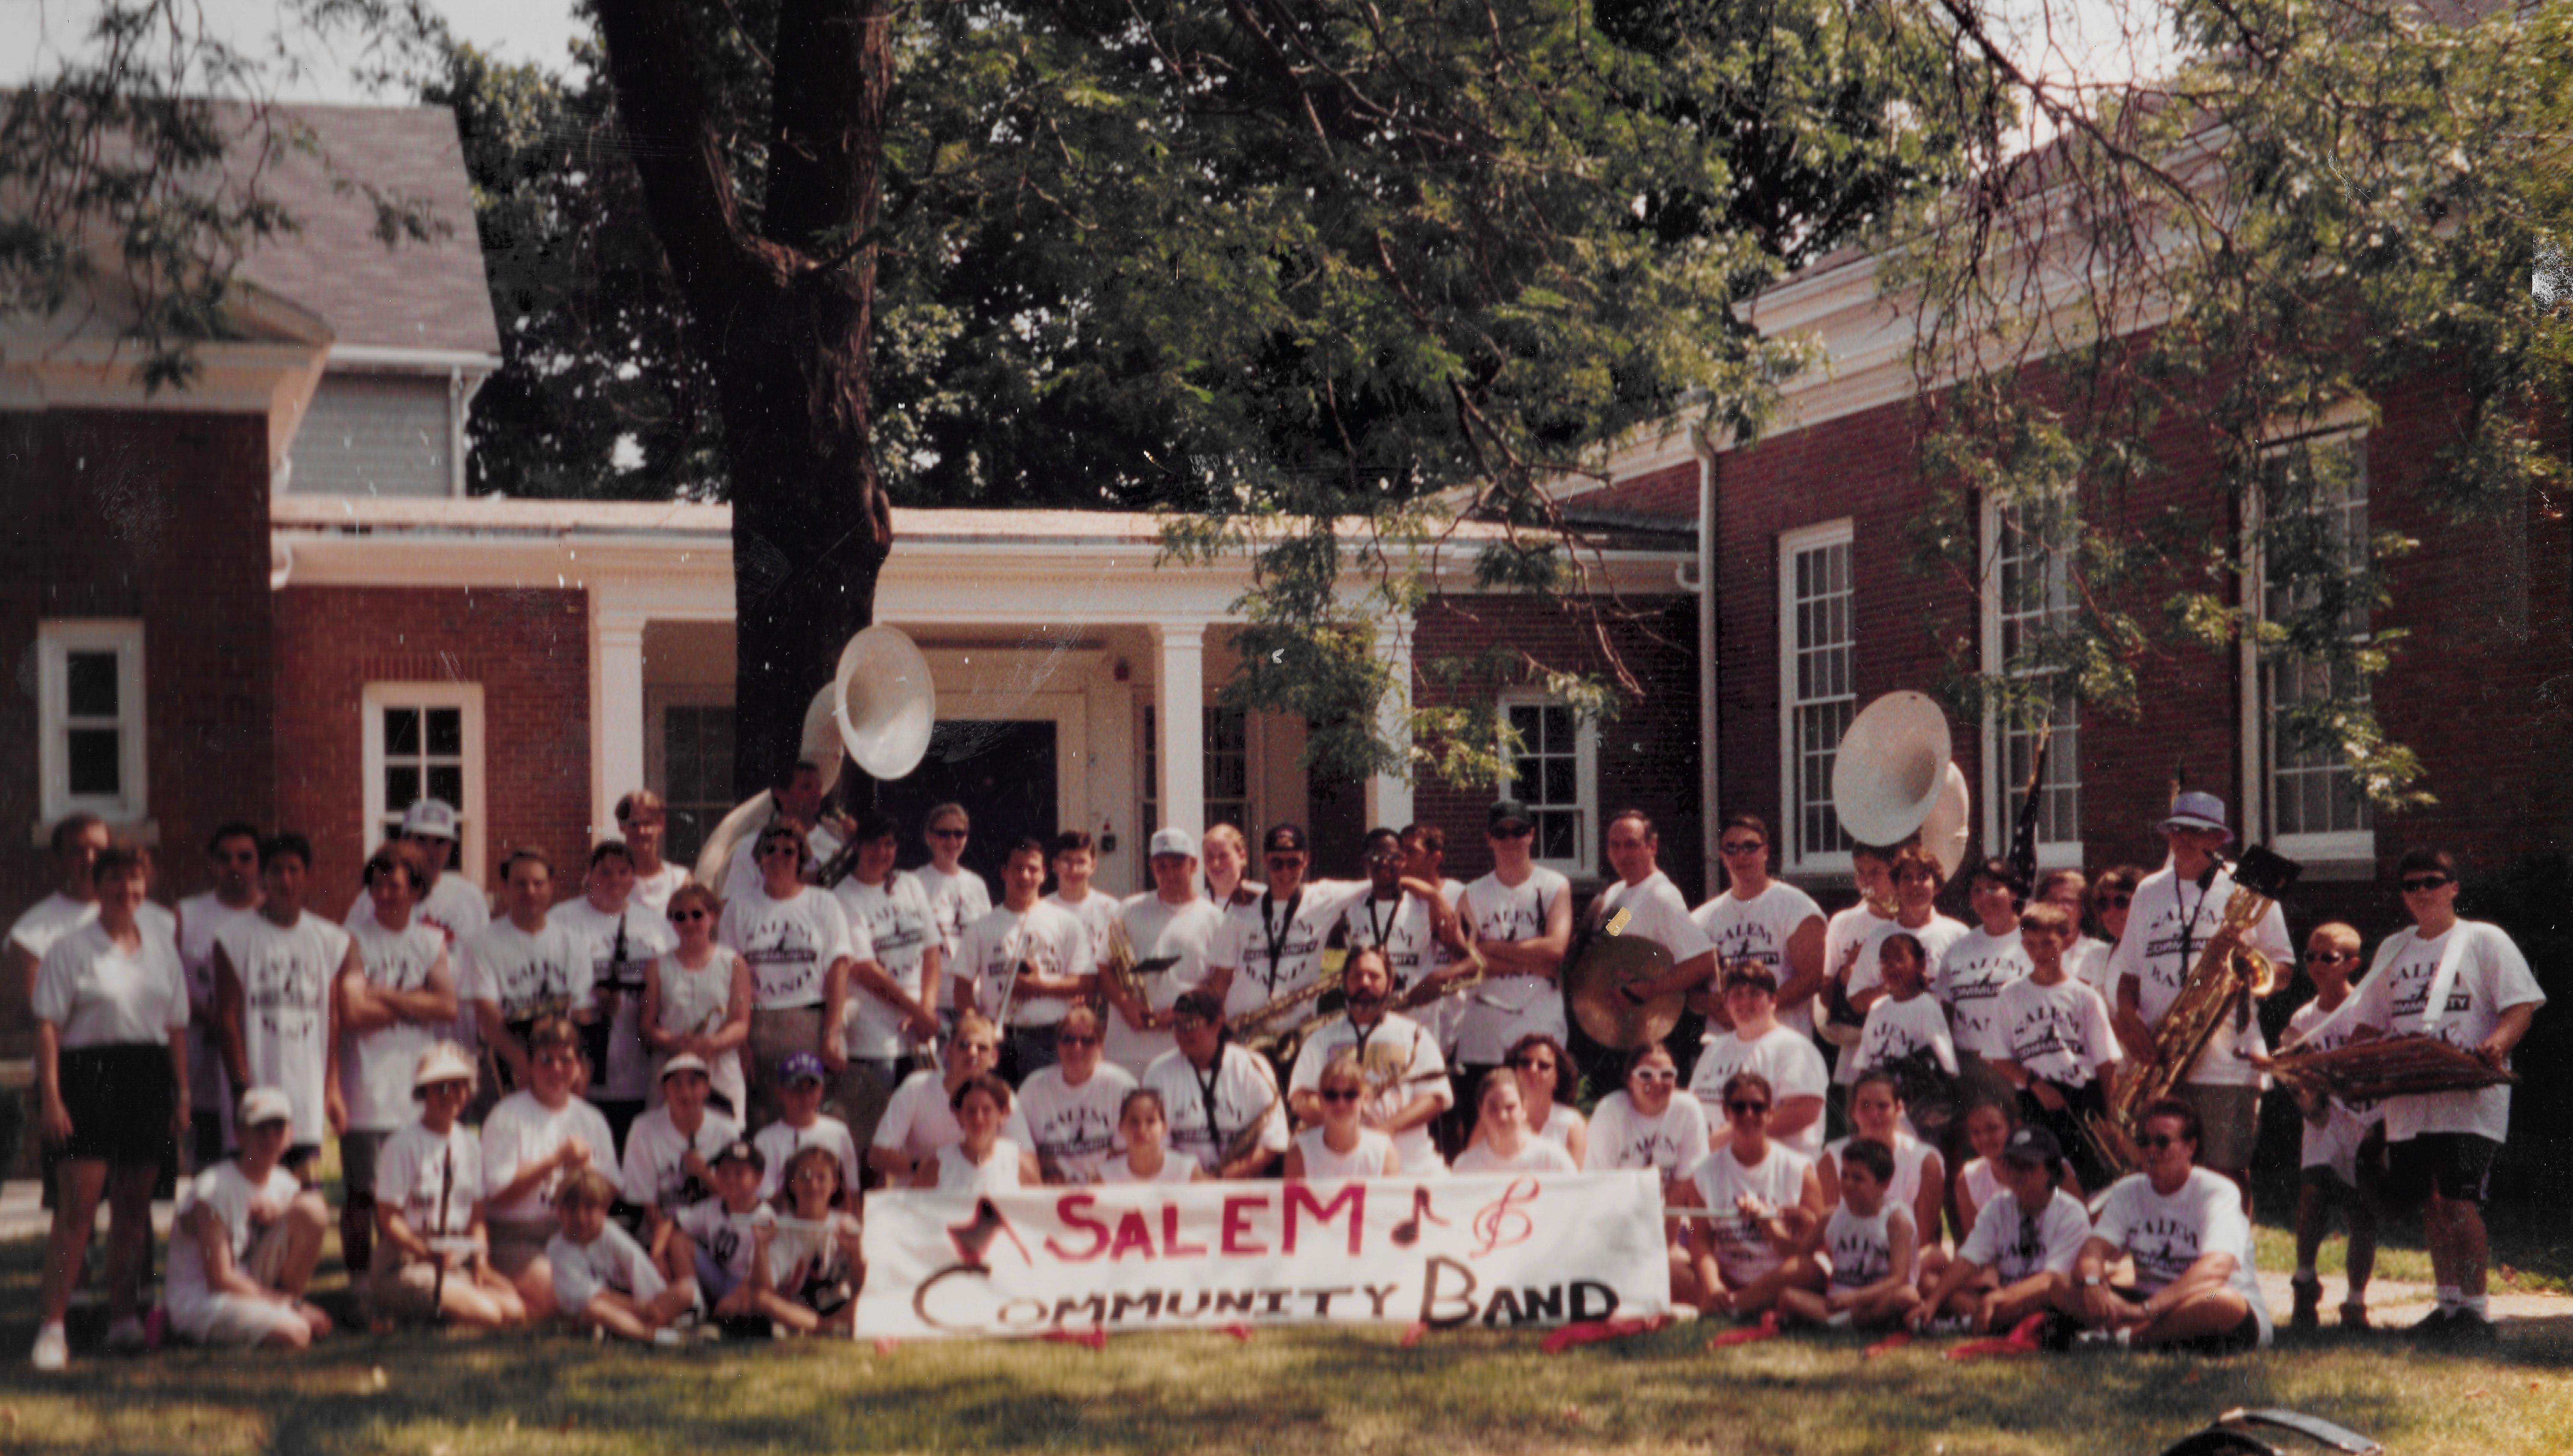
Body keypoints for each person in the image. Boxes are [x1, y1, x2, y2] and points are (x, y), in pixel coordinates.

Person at [2344, 848, 2543, 1343]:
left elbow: (2520, 1006)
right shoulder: (2392, 948)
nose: (2420, 892)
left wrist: (2494, 1046)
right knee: (2430, 1201)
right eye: (2409, 885)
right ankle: (2447, 1306)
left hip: (2468, 1096)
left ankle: (2475, 1312)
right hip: (2410, 1099)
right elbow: (2367, 1022)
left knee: (2458, 1199)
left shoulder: (2482, 939)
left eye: (2431, 882)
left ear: (2453, 887)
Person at [29, 841, 188, 1369]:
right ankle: (53, 1328)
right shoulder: (69, 950)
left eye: (135, 879)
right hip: (87, 1079)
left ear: (147, 885)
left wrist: (183, 1093)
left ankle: (123, 1320)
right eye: (115, 879)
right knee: (76, 1211)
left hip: (148, 1078)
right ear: (97, 886)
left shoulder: (162, 950)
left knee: (132, 1213)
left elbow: (175, 1027)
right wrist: (52, 1097)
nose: (126, 889)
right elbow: (48, 1027)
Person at [2106, 792, 2296, 1203]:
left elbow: (2282, 968)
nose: (2183, 838)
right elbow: (2128, 976)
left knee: (2227, 1174)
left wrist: (2250, 971)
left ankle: (2231, 1247)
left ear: (2217, 838)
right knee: (2162, 1172)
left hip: (2227, 1060)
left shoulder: (2250, 886)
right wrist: (2128, 1018)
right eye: (2176, 829)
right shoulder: (2148, 890)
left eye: (2196, 831)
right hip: (2161, 1054)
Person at [335, 842, 458, 1287]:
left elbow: (447, 1006)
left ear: (417, 890)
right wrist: (415, 1002)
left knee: (410, 1193)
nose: (386, 894)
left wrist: (383, 993)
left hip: (414, 1089)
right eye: (378, 885)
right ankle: (359, 1285)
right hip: (366, 1088)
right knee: (363, 1194)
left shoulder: (429, 941)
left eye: (397, 886)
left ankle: (401, 1277)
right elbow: (353, 1012)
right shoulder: (353, 938)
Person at [2065, 1096, 2271, 1353]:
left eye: (2162, 1142)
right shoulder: (2128, 1190)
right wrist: (2093, 1284)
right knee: (2061, 1285)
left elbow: (2216, 1269)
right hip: (2148, 1298)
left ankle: (2125, 1339)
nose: (2151, 1150)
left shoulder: (2218, 1192)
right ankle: (2146, 1333)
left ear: (2190, 1148)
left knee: (2223, 1300)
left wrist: (2144, 1310)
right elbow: (2093, 1249)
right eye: (2144, 1141)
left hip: (2202, 1297)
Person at [213, 833, 354, 1176]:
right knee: (255, 1194)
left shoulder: (329, 939)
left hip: (305, 1094)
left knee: (302, 1193)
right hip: (257, 1090)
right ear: (263, 876)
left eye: (294, 870)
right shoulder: (233, 938)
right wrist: (241, 1090)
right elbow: (226, 1019)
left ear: (307, 876)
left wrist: (332, 1088)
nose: (285, 880)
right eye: (276, 870)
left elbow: (332, 1019)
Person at [2265, 920, 2382, 1331]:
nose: (2315, 964)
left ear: (2351, 963)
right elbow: (2295, 1072)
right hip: (2322, 1121)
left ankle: (2355, 1301)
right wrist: (2305, 1096)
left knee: (2359, 1209)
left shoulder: (2367, 1007)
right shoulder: (2304, 1016)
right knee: (2312, 1193)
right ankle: (2304, 1282)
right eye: (2310, 956)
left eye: (2327, 957)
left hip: (2363, 1118)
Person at [160, 1087, 335, 1351]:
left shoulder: (285, 1184)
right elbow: (219, 1279)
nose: (269, 1137)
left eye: (277, 1128)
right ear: (240, 1135)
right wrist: (295, 1305)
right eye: (260, 1129)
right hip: (204, 1297)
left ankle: (281, 1312)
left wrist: (281, 1213)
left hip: (248, 1286)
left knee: (313, 1209)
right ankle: (179, 1329)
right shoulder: (213, 1189)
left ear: (290, 1135)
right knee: (297, 1334)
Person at [370, 1041, 527, 1330]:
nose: (451, 1095)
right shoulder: (401, 1144)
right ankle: (398, 1313)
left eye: (459, 1086)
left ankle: (436, 1312)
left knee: (514, 1310)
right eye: (440, 1087)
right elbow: (388, 1218)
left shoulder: (470, 1144)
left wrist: (481, 1262)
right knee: (489, 1315)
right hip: (407, 1261)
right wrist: (423, 1251)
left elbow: (476, 1215)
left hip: (454, 1260)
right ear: (424, 1092)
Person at [718, 821, 860, 1128]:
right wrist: (739, 1040)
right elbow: (731, 976)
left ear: (801, 858)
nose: (779, 857)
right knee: (762, 1121)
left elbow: (838, 969)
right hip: (758, 1026)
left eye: (788, 851)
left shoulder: (824, 904)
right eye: (770, 850)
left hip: (811, 1024)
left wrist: (833, 1033)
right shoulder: (739, 908)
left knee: (813, 1117)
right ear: (759, 858)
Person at [479, 1015, 619, 1320]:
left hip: (573, 1233)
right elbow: (497, 1195)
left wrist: (588, 1172)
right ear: (530, 1066)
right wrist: (554, 1161)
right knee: (561, 1294)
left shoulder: (591, 1119)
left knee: (604, 1281)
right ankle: (639, 1318)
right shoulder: (505, 1116)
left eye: (566, 1060)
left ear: (579, 1067)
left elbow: (611, 1191)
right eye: (545, 1060)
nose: (556, 1069)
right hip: (516, 1237)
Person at [553, 840, 678, 1151]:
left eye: (623, 872)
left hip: (638, 1062)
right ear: (589, 875)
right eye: (605, 872)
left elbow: (675, 982)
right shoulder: (562, 920)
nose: (614, 880)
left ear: (634, 878)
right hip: (582, 1061)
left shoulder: (656, 926)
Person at [829, 811, 943, 1151]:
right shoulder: (842, 897)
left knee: (923, 1136)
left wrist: (926, 1009)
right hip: (873, 1040)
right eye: (872, 844)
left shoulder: (910, 885)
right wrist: (917, 1012)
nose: (881, 853)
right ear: (856, 846)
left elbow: (932, 951)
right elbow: (864, 970)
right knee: (875, 1138)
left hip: (919, 1037)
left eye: (889, 844)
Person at [1908, 1124, 2090, 1336]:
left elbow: (2051, 1279)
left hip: (2042, 1298)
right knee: (1929, 1284)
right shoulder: (1999, 1206)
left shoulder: (2070, 1213)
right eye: (2011, 1165)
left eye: (2028, 1166)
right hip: (2001, 1298)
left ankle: (1977, 1320)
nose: (2017, 1174)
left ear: (2051, 1172)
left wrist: (2001, 1297)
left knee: (2054, 1290)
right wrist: (1932, 1302)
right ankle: (1984, 1318)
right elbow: (1968, 1260)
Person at [1672, 1071, 1826, 1317]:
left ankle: (1732, 1306)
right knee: (1671, 1265)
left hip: (1782, 1274)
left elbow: (1816, 1247)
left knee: (1806, 1270)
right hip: (1729, 1275)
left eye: (1757, 1107)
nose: (1748, 1115)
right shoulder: (1704, 1173)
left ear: (1771, 1113)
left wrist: (1771, 1225)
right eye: (1739, 1107)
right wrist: (1713, 1285)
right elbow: (1698, 1239)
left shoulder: (1799, 1170)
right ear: (1726, 1113)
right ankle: (1724, 1301)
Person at [1991, 903, 2121, 1191]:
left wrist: (2111, 1119)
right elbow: (1999, 1058)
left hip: (2081, 1097)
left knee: (2093, 1182)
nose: (2039, 952)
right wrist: (2036, 1085)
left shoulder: (2085, 997)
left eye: (2048, 943)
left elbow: (2105, 1064)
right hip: (2036, 1098)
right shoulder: (2010, 996)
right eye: (2031, 944)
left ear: (2067, 941)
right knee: (2046, 1182)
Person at [1287, 947, 1452, 1173]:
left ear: (1390, 984)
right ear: (1344, 983)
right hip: (1342, 1168)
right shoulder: (1320, 1039)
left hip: (1411, 1168)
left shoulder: (1416, 1035)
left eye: (1374, 976)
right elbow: (1300, 1098)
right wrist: (1348, 1126)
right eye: (1357, 976)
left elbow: (1435, 1097)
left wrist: (1388, 1128)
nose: (1365, 982)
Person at [1454, 800, 1574, 1097]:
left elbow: (1556, 948)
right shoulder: (1472, 894)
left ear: (1531, 835)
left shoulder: (1554, 885)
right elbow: (1468, 960)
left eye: (1518, 831)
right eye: (1501, 833)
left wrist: (1489, 947)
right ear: (1489, 839)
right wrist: (1534, 960)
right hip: (1484, 1033)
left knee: (1539, 1113)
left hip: (1539, 1026)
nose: (1510, 840)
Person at [1203, 823, 1372, 1033]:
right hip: (1244, 1029)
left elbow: (1381, 882)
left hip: (1295, 1032)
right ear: (1266, 861)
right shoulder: (1241, 910)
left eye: (1293, 863)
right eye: (1277, 864)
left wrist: (1411, 883)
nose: (1285, 871)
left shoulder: (1323, 898)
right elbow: (1221, 979)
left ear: (1306, 860)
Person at [1832, 846, 1968, 1089]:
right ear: (1895, 886)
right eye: (1906, 877)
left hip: (1944, 1058)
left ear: (1937, 886)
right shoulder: (1878, 938)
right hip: (1891, 1063)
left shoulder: (1958, 935)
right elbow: (1856, 1001)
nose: (1915, 885)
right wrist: (1895, 986)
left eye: (1923, 877)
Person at [460, 847, 592, 1093]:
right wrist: (522, 1062)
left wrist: (577, 1065)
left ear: (551, 886)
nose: (530, 892)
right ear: (505, 888)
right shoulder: (481, 943)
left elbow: (581, 1013)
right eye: (520, 884)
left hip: (561, 1058)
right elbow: (487, 1015)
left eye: (538, 884)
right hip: (506, 1059)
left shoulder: (573, 944)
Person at [957, 837, 1090, 1080]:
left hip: (1050, 1037)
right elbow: (962, 987)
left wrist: (1038, 986)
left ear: (1044, 874)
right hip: (998, 1035)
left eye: (1033, 869)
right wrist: (978, 1030)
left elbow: (1086, 983)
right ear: (1004, 872)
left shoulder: (1066, 923)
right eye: (1018, 868)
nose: (1025, 876)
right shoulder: (981, 927)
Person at [1102, 827, 1226, 1078]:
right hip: (1127, 1052)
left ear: (1193, 865)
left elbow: (1222, 980)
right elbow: (1103, 966)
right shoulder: (1128, 910)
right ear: (1152, 867)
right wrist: (1125, 1004)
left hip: (1184, 1050)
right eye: (1162, 867)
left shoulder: (1215, 919)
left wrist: (1186, 1009)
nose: (1170, 874)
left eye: (1177, 865)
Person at [1691, 814, 1828, 1039]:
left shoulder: (1796, 906)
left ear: (1766, 852)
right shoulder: (1702, 918)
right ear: (1722, 856)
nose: (1741, 856)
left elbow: (1813, 977)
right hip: (1724, 1045)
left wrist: (1752, 1008)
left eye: (1750, 847)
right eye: (1731, 849)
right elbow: (1686, 988)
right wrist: (1708, 1003)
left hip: (1780, 1044)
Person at [175, 822, 264, 1168]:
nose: (234, 866)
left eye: (245, 857)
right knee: (209, 1172)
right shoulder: (187, 915)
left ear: (259, 862)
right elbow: (168, 986)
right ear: (212, 863)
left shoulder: (272, 915)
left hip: (256, 1063)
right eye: (225, 858)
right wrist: (212, 1018)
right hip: (202, 1067)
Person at [1578, 811, 1717, 1016]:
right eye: (1615, 846)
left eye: (1631, 845)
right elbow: (1612, 941)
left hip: (1652, 1022)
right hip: (1614, 1021)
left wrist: (1650, 989)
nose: (1622, 855)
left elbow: (1704, 960)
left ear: (1652, 847)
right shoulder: (1619, 892)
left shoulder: (1661, 896)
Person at [869, 1012, 1033, 1184]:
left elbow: (1030, 1165)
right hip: (920, 1196)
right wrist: (930, 1169)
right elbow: (878, 1155)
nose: (973, 1053)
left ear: (994, 1058)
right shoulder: (916, 1088)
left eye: (982, 1048)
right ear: (948, 1052)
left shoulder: (1004, 1098)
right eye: (964, 1045)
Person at [1686, 963, 1830, 1159]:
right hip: (1718, 1167)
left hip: (1778, 1171)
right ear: (1727, 1002)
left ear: (1773, 1001)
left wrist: (1734, 1135)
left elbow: (1805, 1110)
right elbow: (1693, 1106)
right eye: (1737, 994)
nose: (1746, 1001)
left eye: (1755, 993)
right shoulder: (1715, 1049)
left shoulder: (1794, 1048)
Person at [1778, 1136, 1918, 1332]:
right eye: (1844, 1175)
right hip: (1836, 1302)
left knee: (1907, 1296)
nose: (1849, 1184)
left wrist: (1856, 1298)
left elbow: (1899, 1279)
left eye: (1858, 1178)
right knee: (1788, 1295)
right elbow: (1799, 1254)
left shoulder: (1895, 1221)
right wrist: (1802, 1223)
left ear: (1884, 1185)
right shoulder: (1832, 1216)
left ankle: (1838, 1323)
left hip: (1873, 1300)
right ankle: (1846, 1322)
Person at [1816, 1072, 1944, 1284]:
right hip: (1848, 1261)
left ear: (1899, 1109)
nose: (1874, 1114)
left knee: (1934, 1263)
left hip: (1905, 1261)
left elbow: (1923, 1240)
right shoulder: (1833, 1158)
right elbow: (1829, 1234)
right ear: (1853, 1112)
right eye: (1865, 1106)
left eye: (1883, 1106)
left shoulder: (1925, 1160)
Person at [1145, 990, 1290, 1178]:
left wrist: (1220, 1179)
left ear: (1217, 1024)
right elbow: (1155, 1145)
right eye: (1176, 1025)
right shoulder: (1158, 1072)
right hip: (1182, 1184)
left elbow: (1272, 1143)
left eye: (1190, 1024)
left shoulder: (1253, 1067)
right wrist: (1194, 1181)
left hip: (1243, 1184)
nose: (1181, 1033)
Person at [1340, 826, 1479, 1019]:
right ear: (1365, 861)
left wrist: (1439, 977)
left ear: (1403, 860)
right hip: (1365, 1024)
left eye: (1393, 856)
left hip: (1417, 1024)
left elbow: (1472, 964)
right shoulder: (1350, 907)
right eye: (1376, 856)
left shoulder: (1426, 908)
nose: (1385, 862)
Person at [1935, 858, 2033, 1130]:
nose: (1983, 897)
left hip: (2018, 1066)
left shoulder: (2034, 942)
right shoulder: (1959, 949)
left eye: (1992, 888)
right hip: (1971, 1069)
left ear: (2013, 892)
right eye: (1976, 891)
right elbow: (1945, 1008)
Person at [547, 1168, 699, 1343]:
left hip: (634, 1306)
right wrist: (638, 1308)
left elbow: (640, 1272)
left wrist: (651, 1308)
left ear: (604, 1210)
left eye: (589, 1209)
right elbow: (590, 1296)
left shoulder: (612, 1235)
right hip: (590, 1309)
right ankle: (658, 1336)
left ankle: (625, 1330)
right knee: (596, 1310)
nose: (580, 1218)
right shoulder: (558, 1248)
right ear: (559, 1212)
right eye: (572, 1209)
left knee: (686, 1291)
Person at [642, 883, 752, 1116]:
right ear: (672, 923)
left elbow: (741, 1024)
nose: (689, 923)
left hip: (720, 1071)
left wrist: (712, 1044)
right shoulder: (657, 967)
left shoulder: (734, 964)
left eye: (697, 914)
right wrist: (676, 1043)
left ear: (713, 916)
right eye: (680, 917)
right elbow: (647, 1025)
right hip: (673, 1068)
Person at [620, 1053, 741, 1245]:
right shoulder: (643, 1128)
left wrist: (705, 1174)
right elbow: (648, 1203)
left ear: (707, 1088)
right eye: (676, 1084)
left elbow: (738, 1202)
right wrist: (665, 1248)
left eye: (693, 1084)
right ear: (664, 1090)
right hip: (661, 1235)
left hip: (714, 1237)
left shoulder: (727, 1132)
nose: (685, 1094)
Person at [667, 1140, 782, 1337]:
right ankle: (695, 1306)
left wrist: (732, 1299)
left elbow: (758, 1277)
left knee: (740, 1307)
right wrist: (658, 1255)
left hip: (745, 1283)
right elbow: (675, 1222)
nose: (730, 1179)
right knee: (679, 1241)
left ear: (758, 1179)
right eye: (724, 1172)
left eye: (739, 1173)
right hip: (718, 1276)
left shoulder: (764, 1217)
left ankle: (723, 1320)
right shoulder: (714, 1206)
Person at [1017, 1005, 1137, 1184]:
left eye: (1087, 1041)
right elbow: (1020, 1152)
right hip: (1050, 1191)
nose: (1077, 1047)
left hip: (1109, 1189)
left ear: (1100, 1046)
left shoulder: (1121, 1085)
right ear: (1058, 1044)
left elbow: (1131, 1152)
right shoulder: (1033, 1089)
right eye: (1068, 1039)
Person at [1582, 1042, 1711, 1199]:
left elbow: (1685, 1183)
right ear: (1630, 1081)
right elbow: (1604, 1184)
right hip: (1617, 1205)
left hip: (1669, 1209)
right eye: (1646, 1075)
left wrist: (1661, 1216)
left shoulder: (1687, 1111)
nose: (1657, 1081)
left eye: (1666, 1075)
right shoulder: (1610, 1112)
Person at [758, 1145, 865, 1334]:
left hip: (837, 1305)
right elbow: (767, 1289)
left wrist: (854, 1253)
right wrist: (761, 1245)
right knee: (762, 1299)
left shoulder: (847, 1225)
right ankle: (826, 1328)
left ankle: (811, 1326)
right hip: (795, 1306)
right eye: (805, 1177)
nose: (813, 1185)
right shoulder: (780, 1226)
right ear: (792, 1183)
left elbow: (861, 1285)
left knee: (870, 1300)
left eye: (821, 1178)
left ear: (834, 1183)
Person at [1846, 933, 1957, 1103]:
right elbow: (1864, 1063)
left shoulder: (1927, 1007)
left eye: (1900, 959)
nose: (1892, 967)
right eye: (1885, 961)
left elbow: (1947, 1065)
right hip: (1879, 1099)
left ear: (1920, 964)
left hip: (1913, 1100)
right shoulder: (1877, 1008)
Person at [718, 760, 844, 905]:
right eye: (806, 787)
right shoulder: (750, 846)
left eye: (819, 788)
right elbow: (731, 905)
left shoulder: (836, 845)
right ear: (782, 795)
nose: (817, 794)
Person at [1397, 823, 1474, 1059]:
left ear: (1435, 858)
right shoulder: (1399, 900)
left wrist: (1444, 975)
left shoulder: (1461, 896)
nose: (1402, 859)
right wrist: (1433, 896)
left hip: (1457, 1022)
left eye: (1411, 851)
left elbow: (1476, 957)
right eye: (1400, 852)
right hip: (1413, 1021)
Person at [915, 803, 993, 1037]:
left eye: (959, 834)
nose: (952, 841)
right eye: (944, 834)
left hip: (972, 1000)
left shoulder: (977, 885)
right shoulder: (914, 883)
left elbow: (987, 944)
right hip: (931, 1002)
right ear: (929, 837)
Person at [751, 1052, 865, 1201]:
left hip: (830, 1213)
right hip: (784, 1214)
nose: (805, 1096)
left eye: (812, 1088)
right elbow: (764, 1196)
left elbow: (852, 1190)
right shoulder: (766, 1139)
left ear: (821, 1090)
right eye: (797, 1088)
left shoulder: (839, 1133)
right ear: (781, 1092)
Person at [1817, 842, 1899, 1047]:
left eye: (1876, 872)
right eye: (1860, 872)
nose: (1866, 880)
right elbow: (1825, 997)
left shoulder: (1908, 923)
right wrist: (1845, 974)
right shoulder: (1842, 922)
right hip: (1855, 1039)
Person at [1284, 1050, 1399, 1180]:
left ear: (1365, 1099)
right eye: (1332, 1095)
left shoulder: (1383, 1153)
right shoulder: (1300, 1153)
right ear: (1321, 1100)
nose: (1341, 1104)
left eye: (1350, 1095)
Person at [918, 1074, 1040, 1191]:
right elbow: (913, 1205)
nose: (978, 1119)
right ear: (959, 1115)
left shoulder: (1019, 1166)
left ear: (1002, 1114)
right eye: (971, 1111)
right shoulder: (936, 1167)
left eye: (987, 1110)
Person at [1452, 1067, 1579, 1175]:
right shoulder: (1465, 1166)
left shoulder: (1553, 1160)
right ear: (1481, 1111)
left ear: (1524, 1109)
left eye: (1510, 1107)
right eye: (1493, 1108)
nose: (1502, 1116)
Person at [1486, 1032, 1587, 1165]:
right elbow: (1473, 1168)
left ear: (1558, 1077)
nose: (1533, 1070)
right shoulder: (1494, 1116)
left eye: (1544, 1066)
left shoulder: (1571, 1125)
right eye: (1525, 1063)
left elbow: (1576, 1176)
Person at [1949, 1099, 2018, 1247]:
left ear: (2013, 1127)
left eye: (1993, 1129)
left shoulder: (2046, 1168)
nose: (1984, 1139)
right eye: (1976, 1132)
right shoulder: (1969, 1178)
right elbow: (1975, 1244)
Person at [1099, 1088, 1202, 1184]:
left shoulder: (1188, 1171)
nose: (1142, 1130)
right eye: (1134, 1122)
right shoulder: (1105, 1177)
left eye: (1151, 1121)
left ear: (1164, 1127)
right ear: (1121, 1127)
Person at [615, 790, 692, 914]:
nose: (641, 831)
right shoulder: (610, 880)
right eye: (634, 824)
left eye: (647, 823)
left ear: (661, 824)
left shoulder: (679, 881)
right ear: (622, 826)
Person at [2074, 866, 2143, 998]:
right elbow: (2076, 1006)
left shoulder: (2160, 953)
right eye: (2104, 903)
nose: (2112, 911)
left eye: (2121, 902)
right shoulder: (2095, 957)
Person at [1199, 822, 1260, 908]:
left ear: (1242, 857)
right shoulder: (1197, 906)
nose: (1216, 864)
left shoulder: (1262, 900)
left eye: (1223, 856)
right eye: (1210, 857)